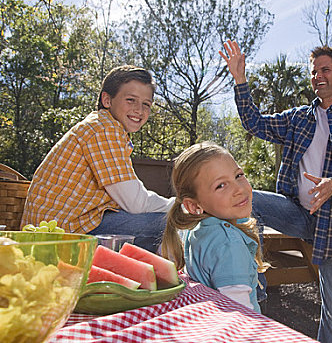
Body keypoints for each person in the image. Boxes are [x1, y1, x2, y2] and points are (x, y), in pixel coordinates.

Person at [219, 40, 332, 343]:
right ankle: (252, 285)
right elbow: (254, 123)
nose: (318, 76)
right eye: (313, 72)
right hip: (298, 213)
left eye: (325, 70)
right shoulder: (299, 117)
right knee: (244, 199)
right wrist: (240, 80)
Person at [21, 65, 174, 252]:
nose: (139, 110)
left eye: (146, 104)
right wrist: (180, 206)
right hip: (63, 237)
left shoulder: (103, 126)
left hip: (70, 226)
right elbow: (136, 203)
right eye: (131, 100)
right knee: (172, 222)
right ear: (107, 99)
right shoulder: (104, 129)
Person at [160, 141, 268, 313]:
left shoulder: (194, 231)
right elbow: (239, 313)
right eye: (221, 185)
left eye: (239, 175)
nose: (239, 189)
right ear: (194, 206)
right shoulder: (229, 244)